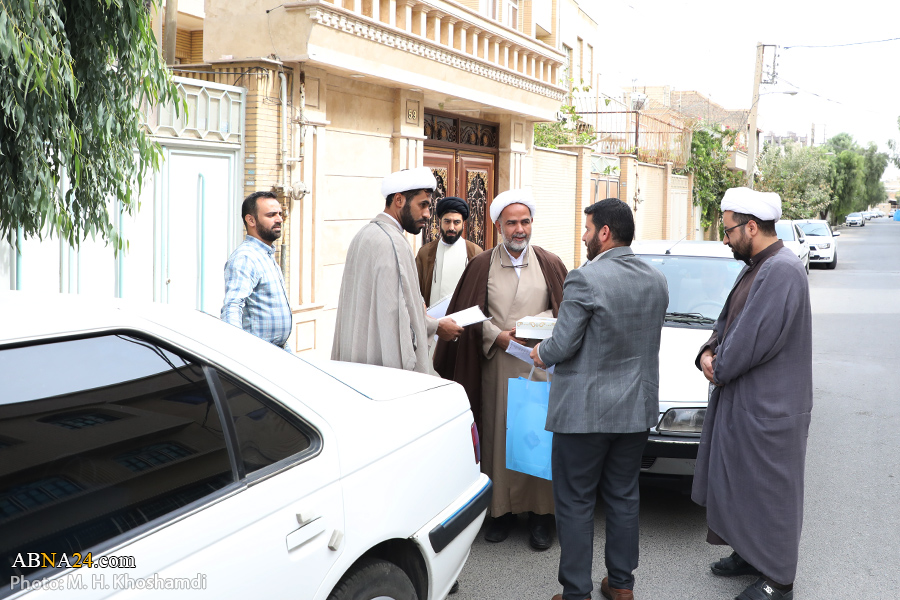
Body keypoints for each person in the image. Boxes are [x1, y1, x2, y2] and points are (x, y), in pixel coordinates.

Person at [531, 198, 668, 600]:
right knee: (624, 496)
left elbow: (562, 344)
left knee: (575, 502)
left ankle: (576, 592)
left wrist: (539, 351)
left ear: (605, 233)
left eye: (588, 229)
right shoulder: (657, 279)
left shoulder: (584, 278)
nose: (584, 236)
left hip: (584, 414)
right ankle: (622, 585)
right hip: (636, 410)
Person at [693, 187, 812, 600]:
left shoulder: (781, 270)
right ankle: (749, 553)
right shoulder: (757, 266)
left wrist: (719, 365)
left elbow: (750, 339)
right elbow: (726, 322)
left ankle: (779, 580)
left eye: (728, 230)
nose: (724, 239)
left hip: (770, 409)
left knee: (771, 494)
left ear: (751, 227)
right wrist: (707, 351)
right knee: (742, 486)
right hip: (746, 404)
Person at [434, 189, 567, 550]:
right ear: (497, 226)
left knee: (536, 438)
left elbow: (566, 311)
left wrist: (534, 326)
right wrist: (499, 336)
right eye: (511, 223)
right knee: (500, 438)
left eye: (525, 222)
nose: (519, 229)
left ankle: (541, 516)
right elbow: (467, 316)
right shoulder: (481, 265)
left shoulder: (550, 262)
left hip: (539, 365)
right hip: (497, 366)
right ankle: (501, 512)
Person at [331, 167, 463, 374]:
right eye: (423, 205)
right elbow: (398, 319)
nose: (428, 214)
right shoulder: (393, 243)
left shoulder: (364, 234)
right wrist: (436, 327)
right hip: (384, 370)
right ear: (399, 200)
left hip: (356, 363)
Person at [221, 191, 293, 351]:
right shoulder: (246, 257)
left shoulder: (266, 254)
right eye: (271, 215)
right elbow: (232, 307)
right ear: (251, 220)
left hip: (278, 351)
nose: (279, 219)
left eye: (280, 214)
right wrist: (236, 352)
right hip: (258, 355)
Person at [416, 196, 483, 307]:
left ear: (463, 224)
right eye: (447, 221)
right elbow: (415, 288)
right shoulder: (425, 252)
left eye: (456, 222)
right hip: (432, 316)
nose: (451, 227)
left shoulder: (475, 252)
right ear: (440, 222)